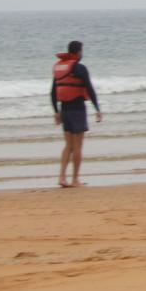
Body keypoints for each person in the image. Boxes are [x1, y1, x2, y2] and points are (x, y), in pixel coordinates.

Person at [51, 41, 102, 188]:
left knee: (68, 146)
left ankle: (61, 177)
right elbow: (90, 89)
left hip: (64, 109)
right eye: (82, 51)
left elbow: (53, 92)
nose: (82, 53)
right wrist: (97, 109)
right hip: (78, 109)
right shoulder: (80, 68)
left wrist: (56, 112)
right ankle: (75, 180)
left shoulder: (60, 68)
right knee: (78, 146)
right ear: (78, 52)